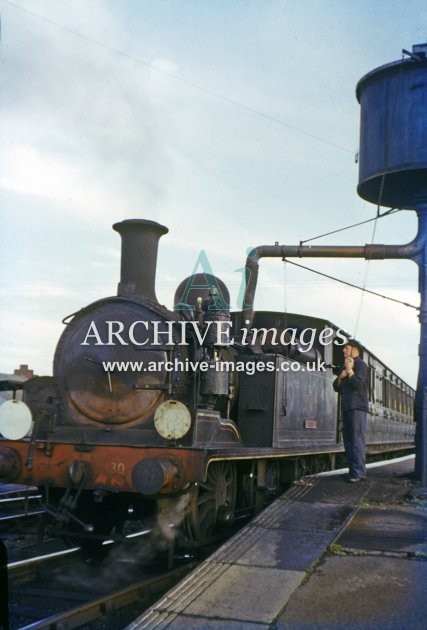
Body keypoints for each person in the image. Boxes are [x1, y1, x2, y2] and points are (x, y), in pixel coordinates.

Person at [333, 340, 369, 482]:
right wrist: (341, 377)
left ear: (354, 350)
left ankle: (359, 473)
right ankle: (354, 472)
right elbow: (336, 387)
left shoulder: (360, 365)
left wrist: (349, 371)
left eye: (346, 348)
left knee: (356, 440)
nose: (343, 350)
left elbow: (359, 385)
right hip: (347, 407)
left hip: (357, 407)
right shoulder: (346, 365)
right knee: (348, 441)